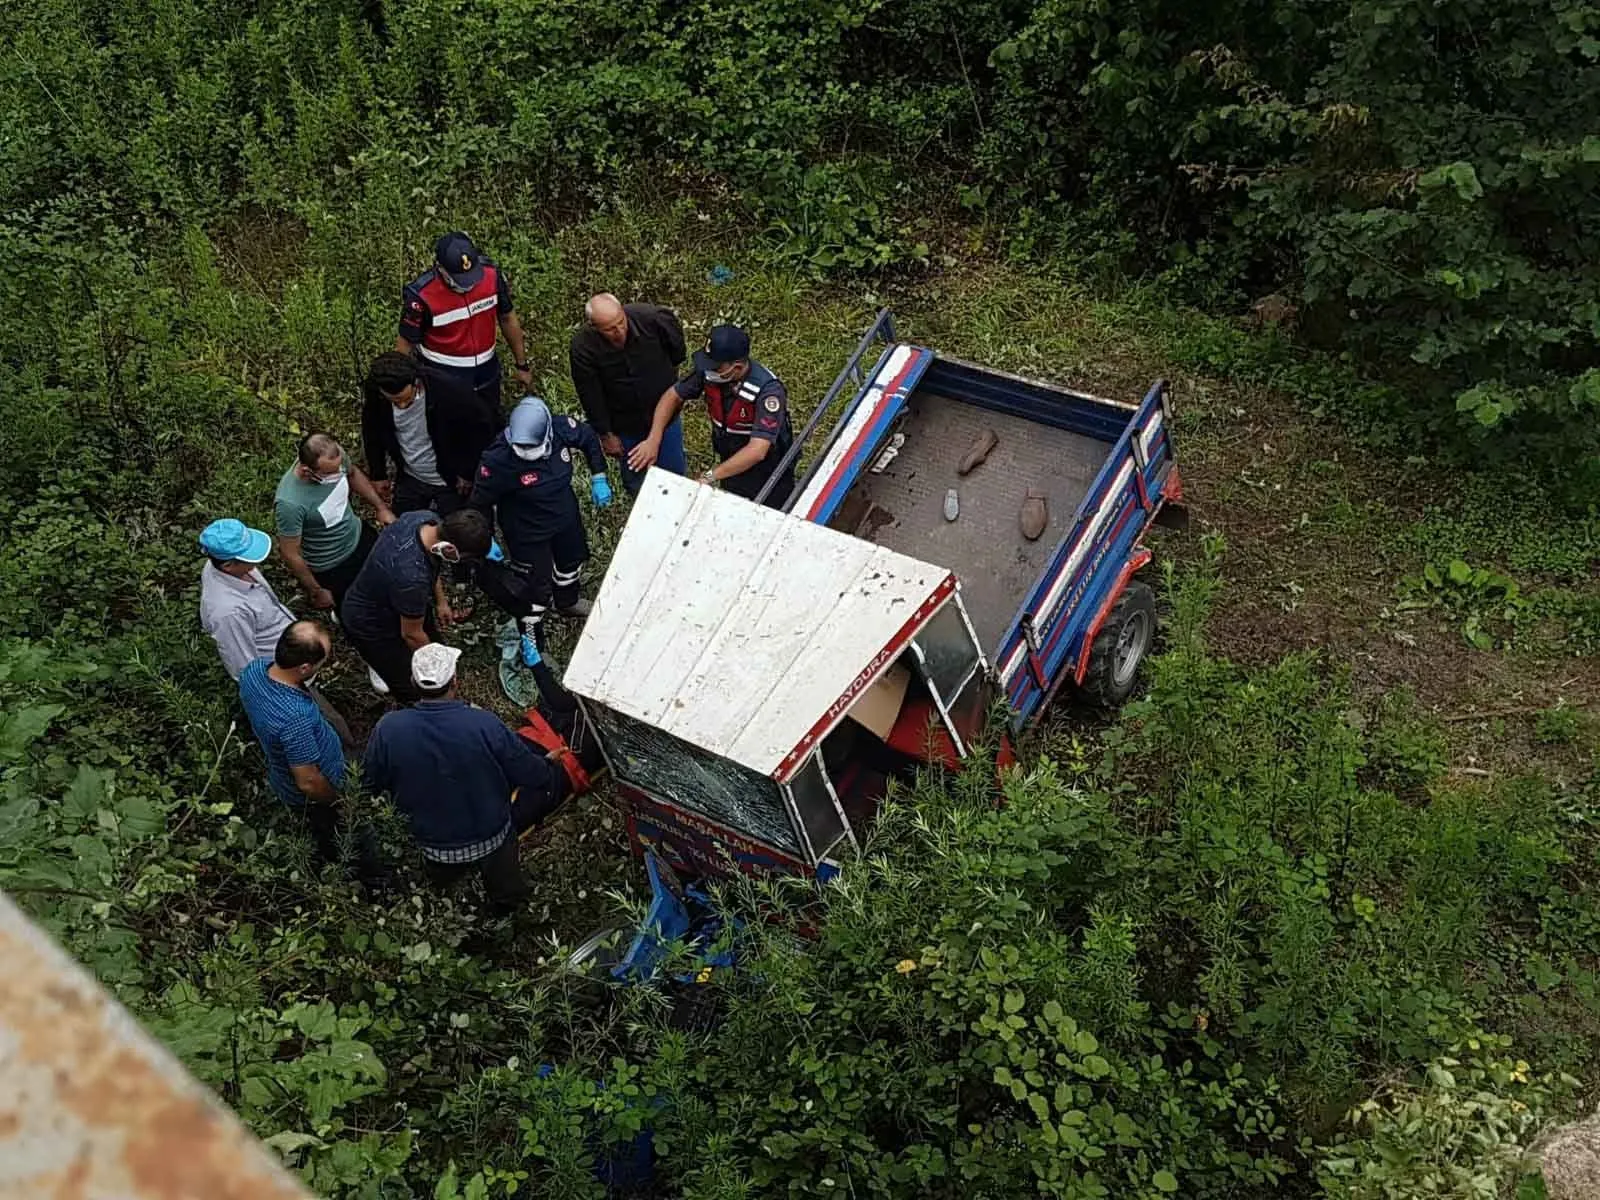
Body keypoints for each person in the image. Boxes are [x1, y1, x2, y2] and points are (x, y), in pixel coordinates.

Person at [362, 643, 573, 910]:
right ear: (455, 682)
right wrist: (548, 765)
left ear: (413, 683)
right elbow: (530, 773)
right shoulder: (484, 724)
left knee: (444, 891)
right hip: (491, 837)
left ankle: (449, 911)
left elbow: (368, 784)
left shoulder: (389, 729)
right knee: (507, 889)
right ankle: (510, 910)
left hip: (432, 844)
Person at [470, 396, 611, 663]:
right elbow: (480, 503)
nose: (526, 452)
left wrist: (599, 476)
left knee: (571, 563)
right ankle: (534, 644)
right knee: (533, 592)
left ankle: (567, 601)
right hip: (527, 532)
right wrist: (486, 539)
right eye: (522, 447)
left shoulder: (561, 429)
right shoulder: (497, 460)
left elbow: (588, 438)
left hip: (564, 517)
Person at [198, 517, 359, 745]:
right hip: (284, 675)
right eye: (248, 558)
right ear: (228, 565)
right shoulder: (227, 613)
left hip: (289, 650)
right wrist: (283, 696)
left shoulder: (225, 566)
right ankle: (346, 753)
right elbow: (244, 668)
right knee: (324, 723)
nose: (255, 563)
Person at [237, 622, 380, 877]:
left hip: (314, 761)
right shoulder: (296, 718)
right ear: (304, 668)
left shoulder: (254, 671)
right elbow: (309, 782)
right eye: (322, 661)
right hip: (318, 796)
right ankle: (370, 878)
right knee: (350, 835)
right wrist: (339, 802)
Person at [395, 232, 531, 470]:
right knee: (451, 434)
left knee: (490, 425)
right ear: (440, 268)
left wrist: (522, 364)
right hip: (443, 373)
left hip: (487, 370)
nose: (467, 284)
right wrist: (402, 385)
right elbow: (404, 345)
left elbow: (507, 318)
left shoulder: (491, 276)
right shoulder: (421, 296)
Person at [628, 324, 796, 507]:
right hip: (730, 456)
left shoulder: (768, 392)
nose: (708, 371)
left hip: (769, 469)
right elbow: (672, 396)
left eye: (715, 367)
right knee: (735, 501)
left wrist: (710, 476)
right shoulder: (711, 373)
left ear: (737, 367)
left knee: (772, 509)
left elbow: (757, 450)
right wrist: (654, 438)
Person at [339, 506, 492, 701]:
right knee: (409, 680)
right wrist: (438, 673)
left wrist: (441, 601)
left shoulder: (425, 519)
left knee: (432, 642)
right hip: (370, 623)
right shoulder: (411, 579)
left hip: (395, 600)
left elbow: (430, 564)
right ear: (449, 549)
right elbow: (411, 634)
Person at [568, 293, 689, 494]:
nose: (619, 331)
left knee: (674, 477)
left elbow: (678, 352)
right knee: (638, 482)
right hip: (625, 425)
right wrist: (606, 434)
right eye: (610, 329)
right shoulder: (583, 347)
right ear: (594, 326)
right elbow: (590, 394)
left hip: (666, 416)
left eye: (621, 322)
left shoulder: (653, 319)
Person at [274, 433, 395, 613]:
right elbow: (290, 553)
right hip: (331, 564)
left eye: (339, 466)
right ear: (307, 471)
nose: (339, 473)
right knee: (358, 610)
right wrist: (316, 590)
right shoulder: (290, 504)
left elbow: (353, 473)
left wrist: (381, 507)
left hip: (358, 535)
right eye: (330, 473)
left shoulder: (335, 457)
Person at [361, 352, 472, 516]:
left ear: (416, 383)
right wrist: (378, 473)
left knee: (457, 525)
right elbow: (372, 431)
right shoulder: (375, 394)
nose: (402, 405)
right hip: (410, 477)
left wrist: (467, 472)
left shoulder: (447, 390)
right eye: (395, 401)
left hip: (450, 480)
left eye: (407, 399)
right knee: (404, 523)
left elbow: (476, 432)